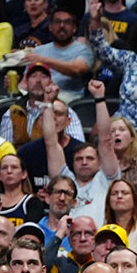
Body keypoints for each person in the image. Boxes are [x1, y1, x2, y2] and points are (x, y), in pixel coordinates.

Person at [42, 82, 118, 220]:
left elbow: (105, 140)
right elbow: (51, 143)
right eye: (79, 159)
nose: (84, 162)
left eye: (90, 158)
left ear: (100, 163)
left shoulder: (106, 179)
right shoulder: (65, 181)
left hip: (99, 238)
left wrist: (100, 98)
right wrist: (47, 104)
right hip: (67, 239)